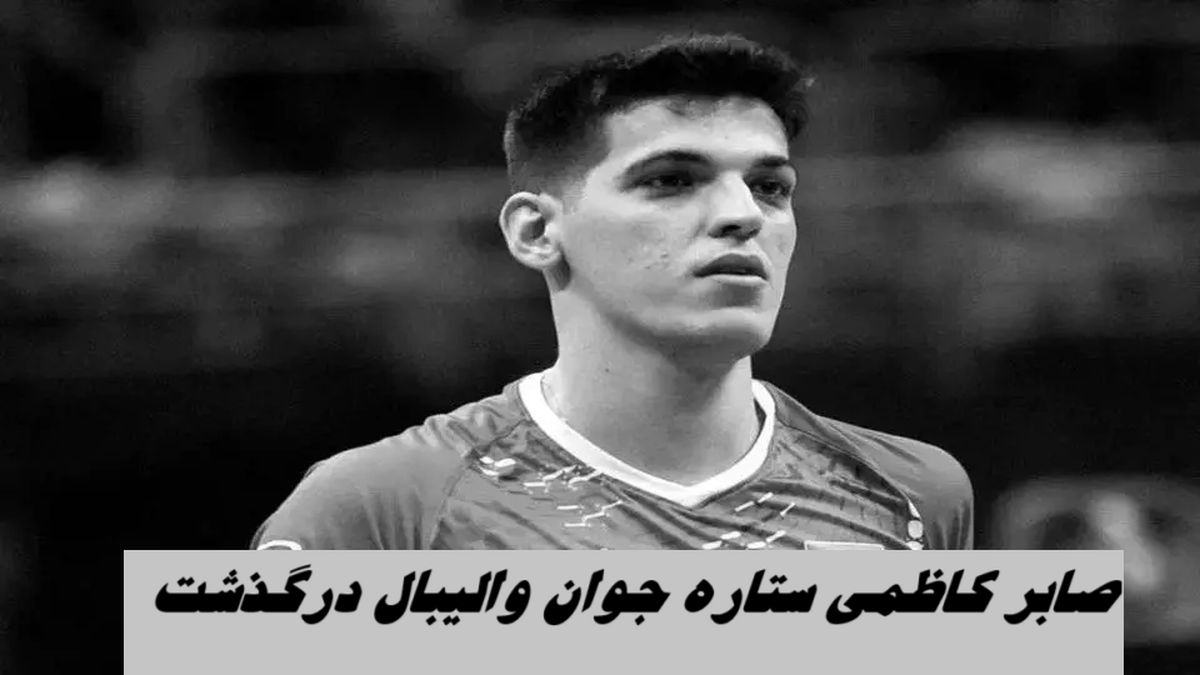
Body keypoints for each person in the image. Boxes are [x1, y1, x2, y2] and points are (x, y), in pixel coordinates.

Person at [252, 33, 973, 551]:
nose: (743, 214)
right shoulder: (383, 506)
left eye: (770, 186)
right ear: (537, 230)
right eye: (671, 180)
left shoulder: (914, 496)